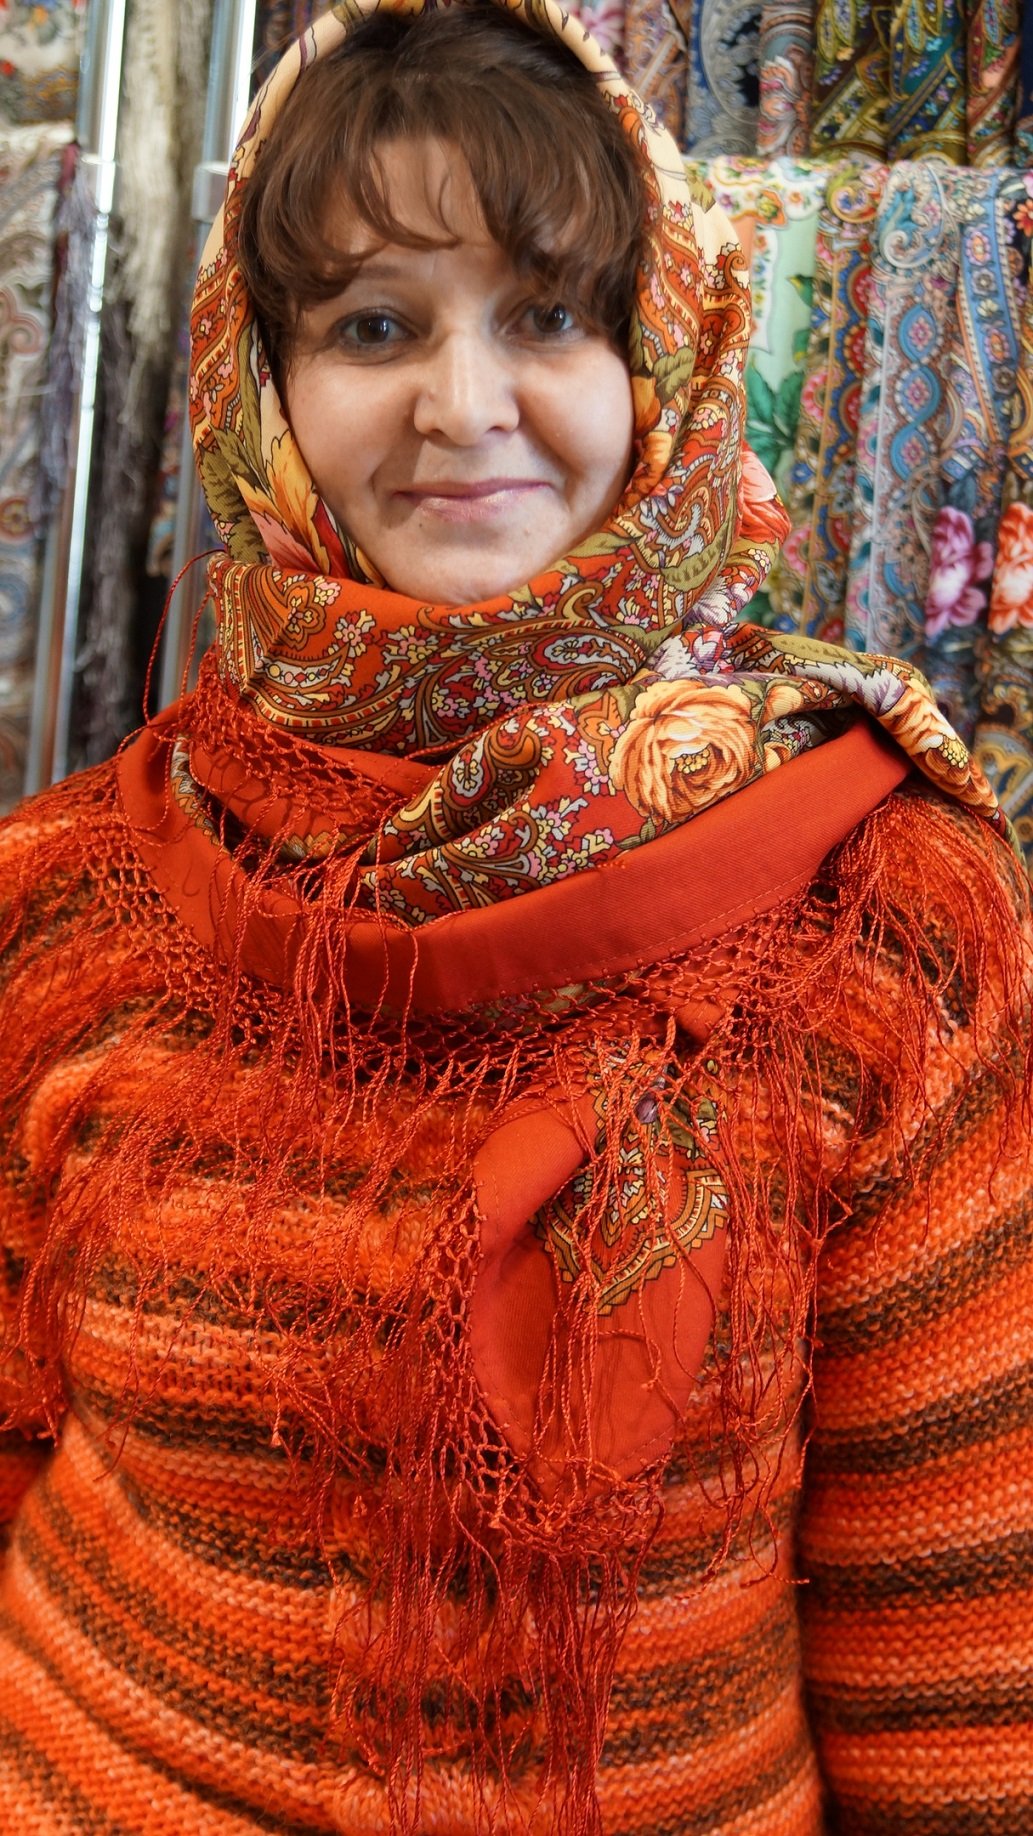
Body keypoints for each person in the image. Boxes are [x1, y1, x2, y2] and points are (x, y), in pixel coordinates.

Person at [0, 1, 1031, 1831]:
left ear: (665, 353)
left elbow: (958, 1628)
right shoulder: (75, 891)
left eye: (546, 316)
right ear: (257, 381)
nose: (461, 408)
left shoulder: (883, 910)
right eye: (372, 325)